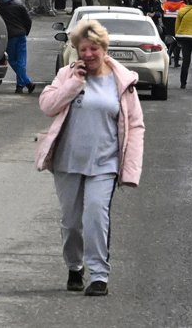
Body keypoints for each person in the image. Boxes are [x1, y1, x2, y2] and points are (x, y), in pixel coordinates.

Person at [36, 19, 145, 297]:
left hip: (105, 163)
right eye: (82, 49)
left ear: (104, 49)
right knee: (71, 222)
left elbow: (134, 125)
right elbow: (47, 106)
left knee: (96, 216)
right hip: (67, 161)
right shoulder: (66, 75)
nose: (88, 55)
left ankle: (99, 275)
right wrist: (74, 84)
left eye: (93, 49)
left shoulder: (122, 81)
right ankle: (74, 266)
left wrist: (130, 170)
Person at [0, 0, 34, 94]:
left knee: (12, 60)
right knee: (21, 61)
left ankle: (27, 82)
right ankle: (20, 86)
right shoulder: (19, 4)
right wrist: (26, 31)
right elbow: (28, 20)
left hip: (9, 36)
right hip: (21, 35)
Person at [161, 0, 185, 66]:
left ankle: (168, 57)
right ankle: (176, 61)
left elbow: (162, 15)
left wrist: (164, 25)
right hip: (179, 25)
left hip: (168, 25)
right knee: (177, 42)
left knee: (171, 41)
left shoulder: (165, 4)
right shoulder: (183, 4)